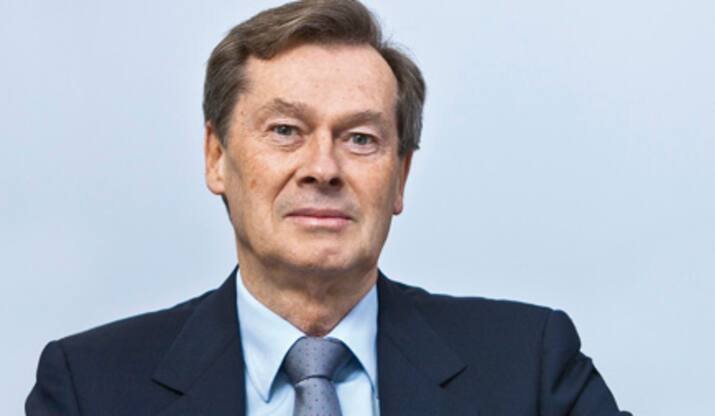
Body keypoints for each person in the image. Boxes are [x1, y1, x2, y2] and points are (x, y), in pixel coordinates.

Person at [26, 1, 631, 415]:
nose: (323, 167)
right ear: (216, 157)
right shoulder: (89, 387)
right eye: (286, 131)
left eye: (360, 138)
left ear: (401, 176)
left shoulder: (529, 368)